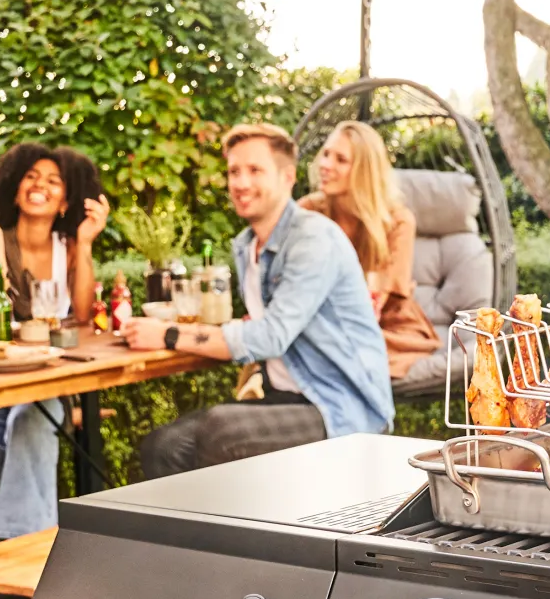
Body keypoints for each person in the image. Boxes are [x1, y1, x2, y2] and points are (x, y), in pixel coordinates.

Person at [127, 124, 393, 474]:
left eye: (255, 171)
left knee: (222, 430)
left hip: (340, 405)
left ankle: (230, 514)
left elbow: (271, 336)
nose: (241, 183)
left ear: (287, 178)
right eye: (234, 172)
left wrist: (169, 334)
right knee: (163, 447)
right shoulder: (246, 246)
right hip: (285, 398)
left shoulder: (313, 238)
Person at [0, 143, 111, 536]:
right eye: (31, 177)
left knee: (29, 425)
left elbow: (84, 316)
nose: (40, 185)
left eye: (53, 181)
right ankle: (25, 536)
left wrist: (86, 242)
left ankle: (16, 545)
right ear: (14, 189)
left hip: (48, 381)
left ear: (65, 201)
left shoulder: (69, 249)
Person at [300, 119, 439, 379]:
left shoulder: (398, 221)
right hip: (321, 316)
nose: (325, 165)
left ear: (364, 170)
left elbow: (374, 302)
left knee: (349, 354)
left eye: (341, 159)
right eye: (326, 154)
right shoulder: (308, 211)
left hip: (387, 324)